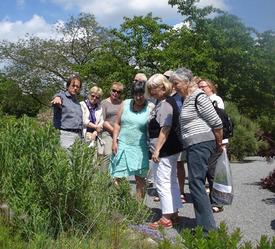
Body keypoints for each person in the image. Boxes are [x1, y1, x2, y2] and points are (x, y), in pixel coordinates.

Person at [169, 68, 224, 235]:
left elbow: (216, 122)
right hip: (194, 145)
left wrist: (218, 145)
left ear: (187, 81)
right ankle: (206, 227)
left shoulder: (198, 96)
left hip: (200, 144)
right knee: (196, 184)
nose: (174, 87)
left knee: (196, 184)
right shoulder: (186, 98)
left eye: (176, 83)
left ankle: (208, 231)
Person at [146, 74, 183, 229]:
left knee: (162, 182)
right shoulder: (164, 102)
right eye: (150, 88)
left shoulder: (166, 103)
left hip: (165, 151)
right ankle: (173, 213)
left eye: (154, 88)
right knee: (171, 180)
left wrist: (157, 151)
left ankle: (166, 217)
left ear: (163, 87)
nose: (152, 91)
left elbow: (165, 127)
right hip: (170, 150)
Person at [110, 80, 154, 202]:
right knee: (118, 176)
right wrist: (114, 141)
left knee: (140, 178)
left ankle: (138, 207)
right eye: (136, 94)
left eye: (141, 94)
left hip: (140, 148)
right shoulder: (126, 103)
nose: (139, 97)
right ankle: (124, 202)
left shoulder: (151, 107)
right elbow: (117, 124)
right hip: (122, 144)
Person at [198, 79, 227, 213]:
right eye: (199, 87)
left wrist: (221, 142)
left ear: (210, 87)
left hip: (216, 140)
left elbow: (220, 121)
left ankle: (218, 202)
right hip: (204, 139)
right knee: (205, 171)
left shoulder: (216, 100)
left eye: (203, 86)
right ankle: (209, 200)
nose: (201, 89)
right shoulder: (199, 100)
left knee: (213, 172)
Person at [163, 70, 187, 204]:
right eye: (166, 78)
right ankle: (166, 192)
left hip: (178, 134)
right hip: (164, 135)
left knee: (178, 164)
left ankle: (181, 191)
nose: (168, 80)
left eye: (169, 78)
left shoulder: (181, 96)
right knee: (164, 164)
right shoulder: (162, 96)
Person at [51, 75, 83, 150]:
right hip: (65, 135)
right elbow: (55, 100)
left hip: (77, 136)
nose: (75, 88)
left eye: (77, 87)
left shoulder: (77, 103)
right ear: (68, 86)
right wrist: (56, 98)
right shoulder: (61, 97)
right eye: (73, 85)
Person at [100, 82, 124, 172]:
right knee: (108, 154)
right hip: (108, 132)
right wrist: (114, 131)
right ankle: (102, 179)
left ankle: (116, 179)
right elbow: (103, 120)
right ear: (110, 91)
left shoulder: (122, 103)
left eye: (118, 92)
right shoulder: (104, 103)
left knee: (119, 155)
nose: (115, 93)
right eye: (114, 91)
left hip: (120, 133)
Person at [80, 86, 104, 155]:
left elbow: (101, 123)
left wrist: (95, 133)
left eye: (97, 97)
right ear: (89, 94)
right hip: (83, 133)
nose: (94, 98)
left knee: (92, 158)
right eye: (93, 96)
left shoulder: (99, 108)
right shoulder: (82, 105)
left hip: (93, 135)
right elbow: (83, 120)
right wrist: (96, 127)